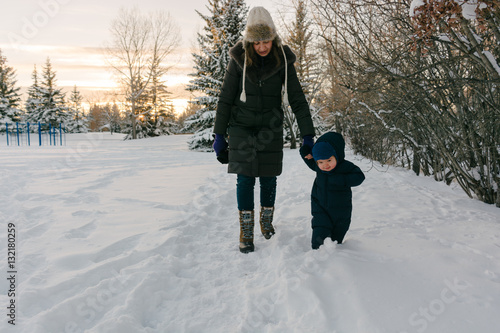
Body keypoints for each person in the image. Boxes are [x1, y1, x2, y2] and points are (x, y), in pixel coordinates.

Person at [213, 6, 315, 253]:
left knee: (269, 177)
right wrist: (218, 134)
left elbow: (297, 99)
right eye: (257, 41)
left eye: (266, 40)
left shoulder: (283, 60)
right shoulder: (238, 60)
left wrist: (308, 134)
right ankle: (246, 230)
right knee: (245, 178)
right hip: (241, 126)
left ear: (273, 38)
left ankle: (266, 220)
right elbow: (226, 98)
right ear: (249, 40)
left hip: (270, 125)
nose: (261, 47)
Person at [299, 132, 365, 249]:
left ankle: (336, 258)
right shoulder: (318, 167)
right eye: (320, 162)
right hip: (320, 208)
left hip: (341, 211)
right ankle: (318, 257)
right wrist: (305, 151)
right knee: (320, 238)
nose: (325, 165)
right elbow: (308, 160)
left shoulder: (344, 166)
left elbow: (359, 177)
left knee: (336, 240)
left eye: (329, 160)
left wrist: (342, 180)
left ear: (337, 155)